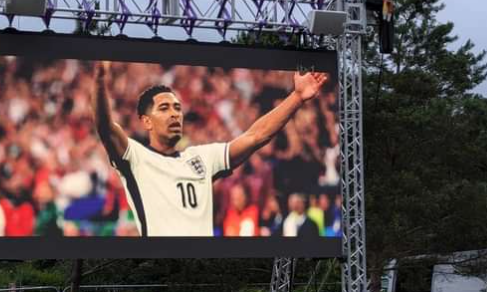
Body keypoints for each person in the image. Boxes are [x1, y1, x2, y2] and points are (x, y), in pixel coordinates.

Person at [93, 61, 328, 237]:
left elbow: (256, 136)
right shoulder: (136, 158)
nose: (174, 113)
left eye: (177, 108)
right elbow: (105, 126)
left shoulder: (202, 158)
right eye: (164, 108)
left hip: (203, 262)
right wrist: (100, 80)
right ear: (146, 121)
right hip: (160, 262)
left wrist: (297, 97)